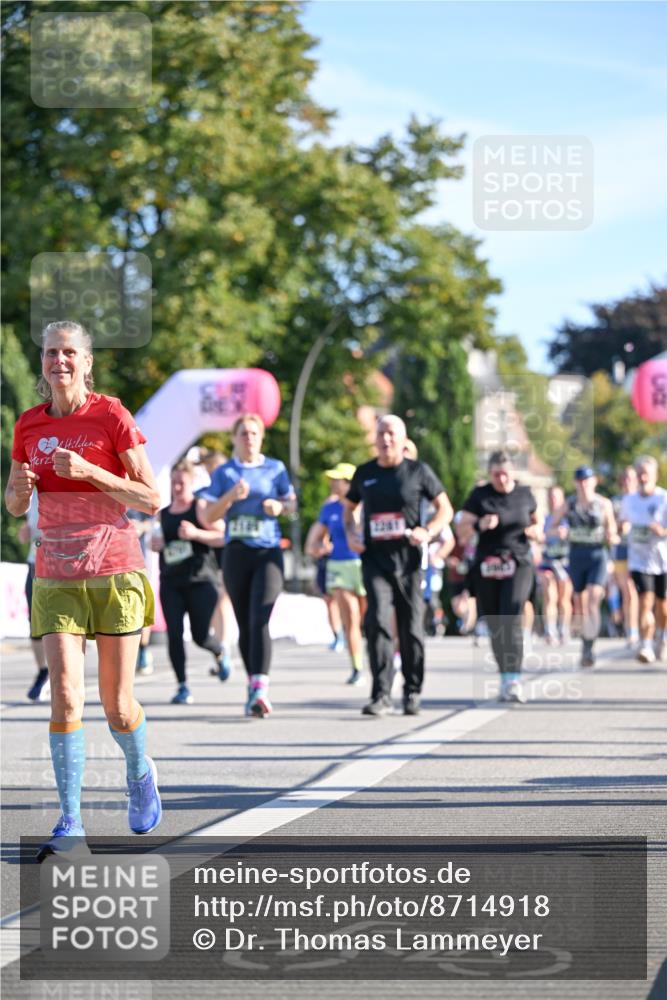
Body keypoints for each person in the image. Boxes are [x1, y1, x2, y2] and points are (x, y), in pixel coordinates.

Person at [5, 320, 162, 859]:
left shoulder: (111, 414)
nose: (60, 361)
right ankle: (70, 823)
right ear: (43, 362)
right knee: (66, 694)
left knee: (117, 706)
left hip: (114, 570)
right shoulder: (28, 424)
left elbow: (150, 498)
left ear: (87, 362)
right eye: (51, 352)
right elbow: (15, 505)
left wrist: (92, 471)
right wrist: (18, 489)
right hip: (55, 573)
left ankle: (138, 770)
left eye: (70, 352)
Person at [343, 415, 453, 716]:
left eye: (391, 433)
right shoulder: (365, 473)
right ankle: (381, 694)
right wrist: (352, 533)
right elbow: (349, 508)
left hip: (409, 562)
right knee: (377, 621)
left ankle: (412, 691)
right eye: (381, 433)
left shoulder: (418, 471)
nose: (386, 439)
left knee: (411, 627)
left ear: (403, 440)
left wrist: (427, 531)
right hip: (375, 560)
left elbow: (445, 509)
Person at [202, 413, 296, 717]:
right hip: (237, 554)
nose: (249, 438)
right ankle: (253, 683)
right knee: (245, 623)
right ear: (234, 438)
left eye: (254, 433)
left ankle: (260, 688)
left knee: (260, 618)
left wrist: (279, 506)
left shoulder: (275, 469)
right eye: (243, 433)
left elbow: (292, 504)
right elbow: (209, 516)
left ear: (261, 438)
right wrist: (231, 496)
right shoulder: (225, 473)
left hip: (268, 552)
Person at [458, 451, 539, 704]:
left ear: (512, 472)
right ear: (490, 474)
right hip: (487, 564)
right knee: (495, 623)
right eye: (496, 475)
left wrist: (535, 531)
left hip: (518, 562)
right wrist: (480, 525)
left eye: (505, 474)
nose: (501, 479)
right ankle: (505, 677)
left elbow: (538, 522)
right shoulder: (480, 496)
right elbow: (461, 530)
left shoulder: (524, 494)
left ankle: (514, 680)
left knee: (510, 616)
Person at [153, 461, 227, 704]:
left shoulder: (200, 508)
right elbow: (156, 540)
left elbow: (223, 536)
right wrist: (156, 545)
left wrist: (196, 534)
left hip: (201, 581)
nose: (176, 487)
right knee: (174, 634)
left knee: (200, 635)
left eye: (181, 483)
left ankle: (219, 651)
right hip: (171, 582)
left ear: (191, 483)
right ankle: (182, 685)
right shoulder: (163, 513)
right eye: (173, 482)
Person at [305, 463, 367, 685]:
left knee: (369, 620)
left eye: (337, 480)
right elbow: (312, 542)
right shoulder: (329, 509)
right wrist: (318, 548)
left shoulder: (366, 505)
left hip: (365, 566)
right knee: (351, 618)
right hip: (339, 566)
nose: (332, 483)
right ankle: (357, 667)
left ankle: (383, 661)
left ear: (350, 484)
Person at [551, 466, 617, 667]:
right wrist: (559, 531)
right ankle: (585, 642)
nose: (583, 484)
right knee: (580, 602)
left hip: (597, 555)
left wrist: (612, 536)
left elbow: (612, 530)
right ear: (575, 483)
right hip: (577, 555)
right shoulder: (569, 504)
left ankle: (589, 647)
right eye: (580, 480)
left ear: (594, 481)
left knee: (593, 600)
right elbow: (551, 527)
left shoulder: (603, 503)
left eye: (587, 480)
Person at [619, 455, 667, 663]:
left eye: (646, 473)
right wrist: (622, 528)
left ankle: (662, 638)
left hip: (663, 559)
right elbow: (621, 523)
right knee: (645, 600)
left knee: (663, 605)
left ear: (655, 475)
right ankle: (646, 645)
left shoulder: (664, 498)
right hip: (639, 560)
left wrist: (662, 531)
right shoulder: (629, 500)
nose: (643, 477)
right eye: (640, 474)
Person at [195, 448, 236, 677]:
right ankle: (222, 650)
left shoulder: (234, 491)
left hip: (229, 551)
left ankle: (225, 649)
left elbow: (218, 526)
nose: (214, 474)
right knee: (217, 601)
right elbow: (208, 520)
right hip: (209, 554)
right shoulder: (203, 493)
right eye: (210, 469)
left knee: (223, 599)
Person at [19, 495, 50, 701]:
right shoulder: (31, 489)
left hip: (65, 560)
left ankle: (63, 673)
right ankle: (43, 672)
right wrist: (26, 529)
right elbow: (27, 521)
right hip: (36, 560)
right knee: (35, 621)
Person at [537, 485, 573, 645]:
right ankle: (550, 630)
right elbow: (538, 537)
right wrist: (547, 534)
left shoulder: (569, 518)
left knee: (564, 598)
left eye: (556, 497)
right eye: (551, 497)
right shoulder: (544, 520)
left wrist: (567, 534)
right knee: (549, 596)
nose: (553, 500)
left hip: (565, 563)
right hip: (548, 562)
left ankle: (564, 629)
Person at [611, 466, 639, 648]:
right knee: (628, 591)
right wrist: (620, 526)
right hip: (621, 551)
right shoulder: (615, 502)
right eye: (626, 478)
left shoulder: (642, 499)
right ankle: (632, 631)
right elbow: (610, 526)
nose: (628, 481)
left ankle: (644, 628)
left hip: (642, 552)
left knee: (643, 592)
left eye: (631, 478)